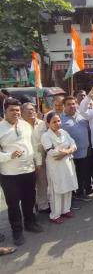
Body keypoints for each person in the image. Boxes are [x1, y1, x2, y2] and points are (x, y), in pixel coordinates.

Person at [0, 98, 43, 246]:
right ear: (5, 111)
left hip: (28, 170)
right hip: (9, 174)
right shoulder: (1, 128)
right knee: (13, 205)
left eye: (17, 110)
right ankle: (17, 232)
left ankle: (30, 223)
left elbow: (34, 144)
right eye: (12, 110)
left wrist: (37, 162)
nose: (15, 113)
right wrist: (8, 156)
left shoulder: (26, 125)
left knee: (29, 200)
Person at [41, 112, 78, 224]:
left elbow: (74, 144)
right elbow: (52, 152)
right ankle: (55, 215)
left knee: (67, 186)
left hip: (67, 164)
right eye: (54, 122)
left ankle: (66, 209)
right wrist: (67, 150)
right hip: (55, 166)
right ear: (48, 124)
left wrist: (67, 151)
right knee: (56, 190)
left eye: (58, 121)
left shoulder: (64, 132)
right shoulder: (45, 136)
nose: (57, 123)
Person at [61, 96, 91, 201]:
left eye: (73, 104)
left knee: (82, 174)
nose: (72, 106)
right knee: (70, 175)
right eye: (68, 104)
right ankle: (72, 196)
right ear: (64, 106)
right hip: (70, 153)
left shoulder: (82, 116)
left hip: (84, 152)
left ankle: (81, 193)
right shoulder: (60, 119)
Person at [21, 102, 50, 213]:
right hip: (27, 161)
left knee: (42, 182)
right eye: (27, 110)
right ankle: (30, 209)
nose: (30, 112)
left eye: (32, 109)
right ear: (22, 113)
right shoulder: (20, 126)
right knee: (29, 186)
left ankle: (42, 205)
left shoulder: (42, 124)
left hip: (42, 158)